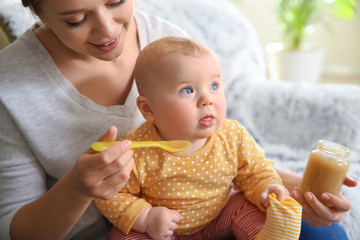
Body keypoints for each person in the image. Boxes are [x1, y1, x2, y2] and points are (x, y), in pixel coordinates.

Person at [0, 0, 356, 239]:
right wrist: (78, 188)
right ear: (35, 8)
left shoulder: (167, 41)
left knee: (323, 233)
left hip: (220, 211)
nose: (108, 29)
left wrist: (301, 192)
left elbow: (239, 163)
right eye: (76, 19)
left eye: (116, 0)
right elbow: (12, 228)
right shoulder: (9, 88)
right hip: (140, 229)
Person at [95, 36, 303, 240]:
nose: (207, 99)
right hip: (163, 232)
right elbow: (111, 194)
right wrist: (146, 217)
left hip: (221, 218)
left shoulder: (232, 136)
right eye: (187, 90)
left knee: (245, 205)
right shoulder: (137, 148)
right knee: (123, 234)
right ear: (148, 109)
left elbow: (254, 170)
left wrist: (266, 187)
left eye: (214, 86)